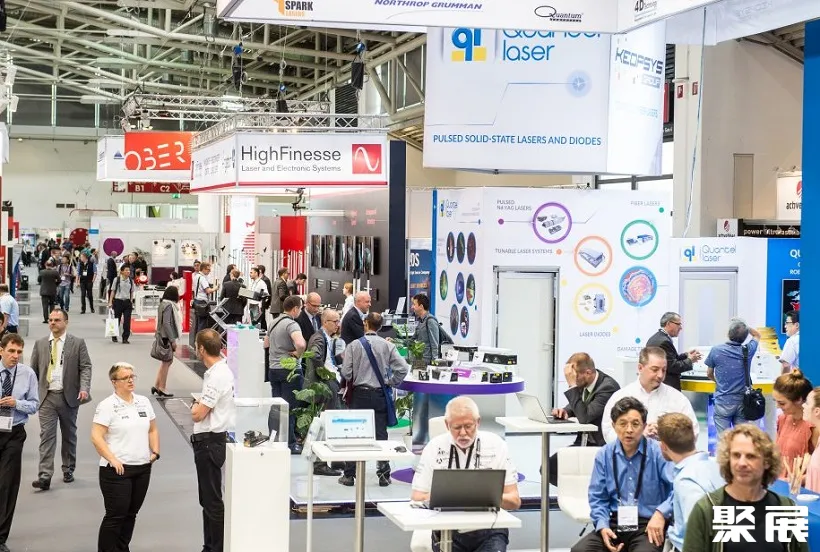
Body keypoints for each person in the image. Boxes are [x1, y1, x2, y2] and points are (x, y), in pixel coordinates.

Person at [412, 397, 521, 552]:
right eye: (456, 427)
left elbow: (514, 501)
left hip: (490, 529)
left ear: (478, 422)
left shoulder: (497, 445)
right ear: (447, 424)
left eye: (468, 426)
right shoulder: (434, 448)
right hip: (447, 529)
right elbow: (417, 497)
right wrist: (451, 496)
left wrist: (484, 498)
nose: (463, 433)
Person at [683, 424, 809, 552]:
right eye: (736, 455)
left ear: (766, 462)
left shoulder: (787, 510)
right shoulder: (706, 510)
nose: (742, 463)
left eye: (750, 456)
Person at [571, 397, 673, 552]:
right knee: (580, 550)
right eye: (623, 424)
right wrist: (602, 526)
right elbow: (598, 498)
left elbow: (677, 489)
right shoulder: (604, 455)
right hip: (615, 522)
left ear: (644, 426)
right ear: (613, 425)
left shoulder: (658, 452)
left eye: (635, 424)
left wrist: (661, 514)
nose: (629, 430)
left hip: (648, 524)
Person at [91, 363, 159, 552]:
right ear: (114, 382)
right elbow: (96, 436)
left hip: (142, 468)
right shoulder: (107, 406)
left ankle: (122, 548)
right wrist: (112, 459)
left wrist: (155, 452)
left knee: (131, 514)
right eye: (125, 377)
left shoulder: (143, 402)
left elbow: (153, 429)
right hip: (117, 471)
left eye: (132, 376)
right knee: (115, 516)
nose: (130, 380)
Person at [339, 312, 408, 487]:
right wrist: (390, 382)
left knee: (354, 434)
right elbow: (403, 368)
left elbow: (346, 372)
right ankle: (384, 475)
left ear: (366, 324)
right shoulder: (388, 346)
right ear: (380, 326)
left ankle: (349, 475)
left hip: (359, 395)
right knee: (381, 434)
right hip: (379, 394)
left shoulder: (354, 345)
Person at [30, 308, 92, 491]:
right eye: (50, 320)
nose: (52, 323)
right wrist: (32, 393)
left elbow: (86, 367)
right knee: (46, 436)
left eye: (57, 320)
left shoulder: (77, 343)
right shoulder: (40, 344)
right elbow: (33, 371)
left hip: (68, 397)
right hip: (46, 397)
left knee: (69, 435)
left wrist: (84, 388)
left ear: (66, 322)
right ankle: (44, 475)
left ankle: (68, 469)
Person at [191, 329, 236, 552]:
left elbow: (198, 414)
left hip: (209, 442)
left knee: (212, 501)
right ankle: (209, 546)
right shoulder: (219, 372)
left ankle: (215, 547)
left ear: (201, 349)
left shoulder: (217, 375)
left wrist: (195, 406)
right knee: (208, 500)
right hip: (211, 441)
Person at [547, 353, 620, 486]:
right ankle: (579, 491)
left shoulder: (608, 388)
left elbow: (585, 417)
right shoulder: (585, 383)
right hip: (583, 441)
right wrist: (565, 411)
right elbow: (578, 404)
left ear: (588, 373)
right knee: (548, 469)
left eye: (574, 377)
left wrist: (572, 386)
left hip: (599, 446)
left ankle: (585, 492)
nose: (573, 381)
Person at [601, 347, 699, 443]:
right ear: (640, 368)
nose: (660, 375)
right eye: (655, 369)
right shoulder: (620, 396)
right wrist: (637, 436)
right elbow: (608, 432)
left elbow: (693, 433)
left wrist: (667, 435)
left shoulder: (678, 399)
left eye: (664, 370)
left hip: (666, 453)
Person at [657, 413, 724, 552]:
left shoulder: (686, 482)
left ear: (663, 446)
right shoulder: (716, 467)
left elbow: (697, 534)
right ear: (693, 437)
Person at [0, 333, 40, 552]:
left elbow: (34, 405)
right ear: (1, 350)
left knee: (7, 484)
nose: (15, 356)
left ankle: (0, 537)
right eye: (11, 351)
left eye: (19, 352)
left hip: (14, 432)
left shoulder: (27, 374)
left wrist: (17, 403)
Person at [305, 309, 344, 477]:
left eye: (338, 321)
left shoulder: (325, 337)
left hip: (329, 383)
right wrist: (325, 376)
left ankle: (335, 459)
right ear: (325, 322)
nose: (337, 325)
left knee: (333, 421)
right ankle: (320, 464)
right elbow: (315, 356)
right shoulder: (319, 338)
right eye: (334, 321)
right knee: (325, 424)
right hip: (325, 386)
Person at [704, 318, 761, 434]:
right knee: (741, 436)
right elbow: (757, 335)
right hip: (743, 402)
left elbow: (709, 373)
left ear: (728, 334)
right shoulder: (748, 350)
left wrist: (718, 382)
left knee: (723, 438)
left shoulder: (716, 350)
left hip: (722, 401)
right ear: (745, 337)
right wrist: (744, 324)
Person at [266, 296, 306, 453]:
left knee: (276, 405)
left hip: (274, 369)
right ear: (295, 309)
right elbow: (301, 343)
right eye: (300, 308)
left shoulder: (273, 322)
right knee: (290, 407)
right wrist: (298, 354)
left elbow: (266, 344)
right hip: (289, 370)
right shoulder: (291, 324)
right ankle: (290, 443)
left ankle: (273, 438)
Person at [773, 369, 815, 477]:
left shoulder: (813, 427)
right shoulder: (782, 419)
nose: (777, 407)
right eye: (775, 401)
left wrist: (799, 479)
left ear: (799, 400)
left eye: (782, 403)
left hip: (802, 486)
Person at [645, 312, 702, 391]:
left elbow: (670, 359)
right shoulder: (664, 341)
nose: (681, 328)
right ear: (669, 324)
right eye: (678, 324)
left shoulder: (656, 338)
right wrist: (690, 360)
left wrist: (686, 355)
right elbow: (673, 367)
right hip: (666, 388)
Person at [152, 286, 182, 399]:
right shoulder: (169, 306)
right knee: (167, 362)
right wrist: (172, 340)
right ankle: (162, 388)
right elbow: (167, 323)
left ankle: (157, 385)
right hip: (166, 337)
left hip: (161, 335)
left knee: (165, 362)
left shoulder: (162, 304)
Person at [108, 265, 134, 344]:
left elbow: (132, 291)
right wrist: (110, 302)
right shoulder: (117, 279)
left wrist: (131, 301)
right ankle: (114, 335)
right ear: (122, 271)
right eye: (126, 270)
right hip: (118, 302)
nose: (128, 272)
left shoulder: (130, 280)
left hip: (127, 302)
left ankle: (125, 338)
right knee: (117, 320)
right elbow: (113, 291)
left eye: (129, 270)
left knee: (127, 321)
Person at [38, 260, 60, 324]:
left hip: (44, 291)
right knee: (52, 305)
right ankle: (51, 318)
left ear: (45, 265)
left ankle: (46, 319)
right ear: (52, 265)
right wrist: (55, 284)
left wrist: (42, 283)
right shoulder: (55, 272)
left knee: (45, 306)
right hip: (52, 290)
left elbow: (38, 280)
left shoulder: (42, 272)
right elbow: (59, 280)